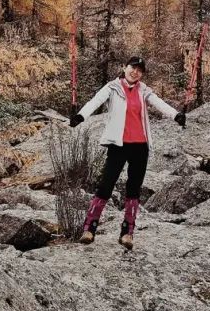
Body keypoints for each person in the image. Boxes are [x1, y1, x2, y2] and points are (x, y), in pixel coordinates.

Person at [69, 56, 186, 249]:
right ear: (125, 68)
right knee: (106, 184)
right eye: (133, 67)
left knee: (134, 188)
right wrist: (81, 116)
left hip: (140, 146)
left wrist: (176, 115)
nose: (135, 72)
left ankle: (127, 233)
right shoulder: (112, 87)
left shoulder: (144, 90)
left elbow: (160, 104)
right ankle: (89, 228)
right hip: (118, 144)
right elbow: (95, 101)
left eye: (139, 70)